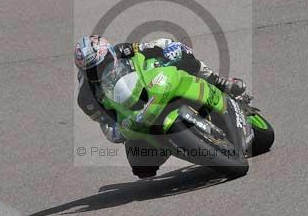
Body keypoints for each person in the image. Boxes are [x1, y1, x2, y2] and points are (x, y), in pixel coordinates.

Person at [74, 35, 246, 178]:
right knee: (142, 169)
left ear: (110, 54)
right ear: (83, 72)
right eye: (91, 71)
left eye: (103, 63)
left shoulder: (123, 50)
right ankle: (175, 147)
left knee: (185, 60)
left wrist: (171, 48)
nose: (99, 71)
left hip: (152, 84)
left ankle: (219, 82)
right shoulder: (87, 99)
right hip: (135, 117)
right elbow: (105, 125)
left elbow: (156, 44)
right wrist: (118, 131)